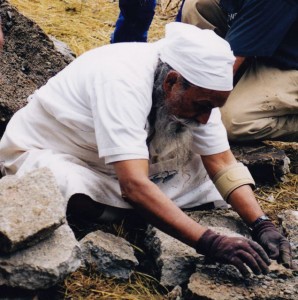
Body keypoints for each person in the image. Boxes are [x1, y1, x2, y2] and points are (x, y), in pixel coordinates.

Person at [0, 22, 292, 277]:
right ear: (172, 82)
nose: (206, 118)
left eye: (213, 108)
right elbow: (133, 185)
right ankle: (148, 211)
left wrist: (262, 224)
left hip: (129, 164)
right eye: (202, 106)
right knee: (65, 184)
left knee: (208, 176)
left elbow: (221, 162)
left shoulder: (202, 90)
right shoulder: (121, 80)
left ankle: (145, 211)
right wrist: (210, 242)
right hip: (60, 152)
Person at [181, 0, 298, 142]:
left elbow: (229, 62)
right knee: (197, 6)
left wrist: (195, 103)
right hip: (272, 44)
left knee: (228, 122)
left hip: (290, 66)